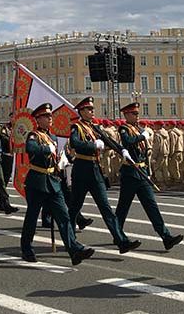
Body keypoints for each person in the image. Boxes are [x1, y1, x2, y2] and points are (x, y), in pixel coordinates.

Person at [20, 103, 94, 265]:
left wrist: (62, 161)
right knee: (32, 218)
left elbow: (54, 156)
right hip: (37, 182)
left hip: (53, 182)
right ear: (38, 119)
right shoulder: (33, 135)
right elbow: (31, 149)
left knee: (64, 217)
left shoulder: (52, 137)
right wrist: (47, 148)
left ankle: (74, 250)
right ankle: (26, 249)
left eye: (50, 116)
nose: (50, 119)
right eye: (46, 116)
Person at [66, 97, 141, 254]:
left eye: (92, 109)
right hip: (81, 171)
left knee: (106, 208)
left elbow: (108, 141)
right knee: (74, 208)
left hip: (95, 171)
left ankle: (122, 241)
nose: (92, 112)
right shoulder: (76, 127)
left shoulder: (93, 127)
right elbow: (74, 143)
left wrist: (122, 151)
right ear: (81, 111)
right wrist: (92, 145)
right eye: (89, 109)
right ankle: (70, 240)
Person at [114, 102, 184, 251]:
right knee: (123, 208)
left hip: (142, 174)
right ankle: (117, 235)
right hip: (130, 174)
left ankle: (166, 237)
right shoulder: (124, 129)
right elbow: (128, 142)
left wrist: (148, 172)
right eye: (134, 114)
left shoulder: (139, 129)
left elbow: (144, 153)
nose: (137, 116)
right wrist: (141, 137)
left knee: (152, 206)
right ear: (126, 115)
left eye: (137, 113)